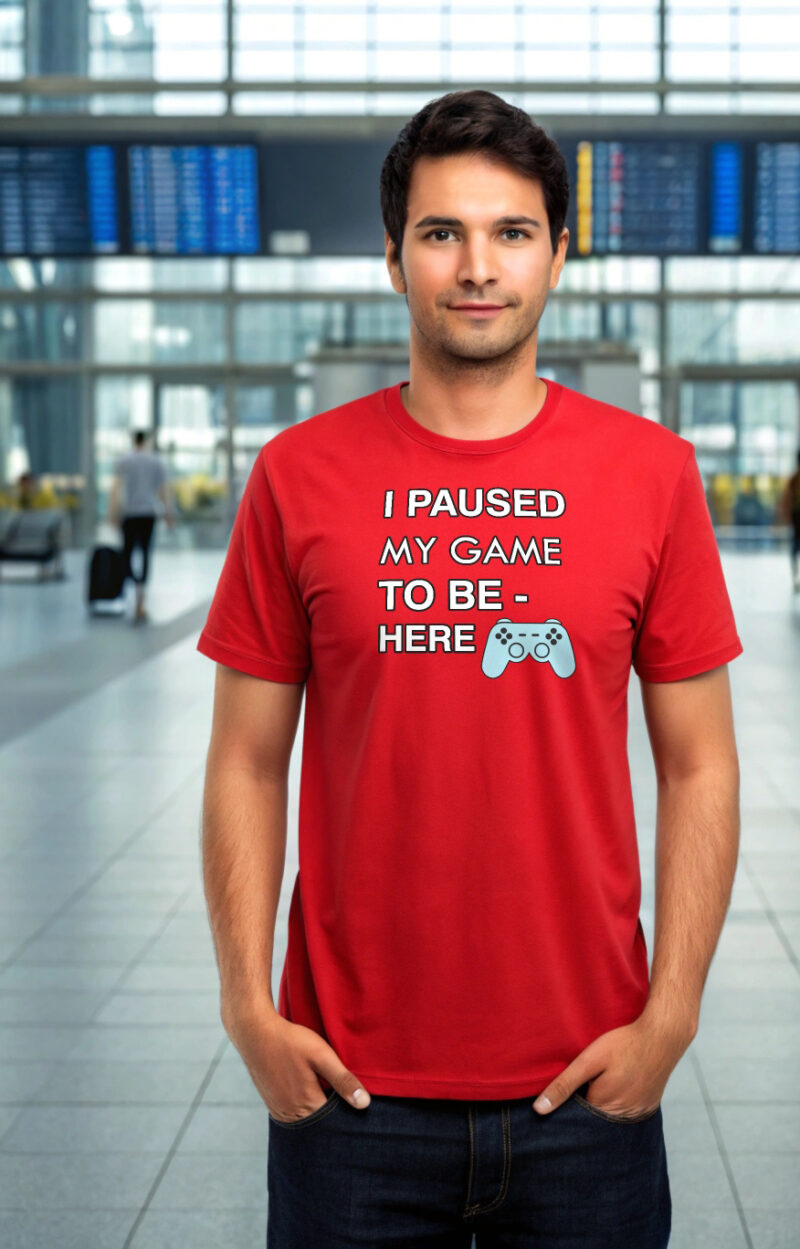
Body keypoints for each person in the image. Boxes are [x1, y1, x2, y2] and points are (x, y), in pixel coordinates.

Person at [197, 90, 743, 1248]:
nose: (476, 266)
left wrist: (672, 1014)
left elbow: (697, 763)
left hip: (587, 1082)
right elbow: (247, 760)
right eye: (441, 232)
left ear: (556, 252)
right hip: (347, 1089)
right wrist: (248, 1008)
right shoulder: (297, 478)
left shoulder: (651, 476)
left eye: (510, 232)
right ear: (393, 258)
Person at [108, 429, 175, 623]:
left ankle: (132, 582)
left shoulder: (124, 461)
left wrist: (112, 513)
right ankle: (140, 597)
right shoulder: (156, 462)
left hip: (129, 513)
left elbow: (116, 488)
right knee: (145, 553)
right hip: (148, 513)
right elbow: (163, 490)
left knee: (126, 553)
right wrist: (168, 513)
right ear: (146, 441)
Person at [777, 449, 800, 591]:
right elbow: (787, 501)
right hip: (797, 521)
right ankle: (795, 577)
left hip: (796, 520)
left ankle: (795, 577)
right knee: (794, 550)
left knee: (794, 550)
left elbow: (786, 501)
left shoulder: (794, 479)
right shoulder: (794, 480)